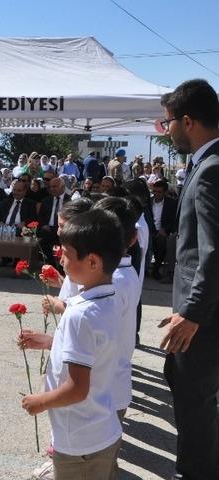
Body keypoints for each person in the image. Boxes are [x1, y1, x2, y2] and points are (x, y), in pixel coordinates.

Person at [20, 209, 125, 479]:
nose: (61, 259)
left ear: (92, 262)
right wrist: (50, 342)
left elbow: (77, 389)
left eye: (66, 254)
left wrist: (40, 402)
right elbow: (95, 350)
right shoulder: (108, 298)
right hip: (101, 429)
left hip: (80, 443)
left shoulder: (80, 314)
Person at [159, 78, 219, 480]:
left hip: (206, 319)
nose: (167, 132)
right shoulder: (207, 164)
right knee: (187, 391)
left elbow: (214, 251)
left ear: (187, 120)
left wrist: (193, 313)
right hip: (200, 311)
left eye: (168, 124)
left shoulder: (212, 170)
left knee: (194, 406)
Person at [147, 180, 178, 280]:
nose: (156, 194)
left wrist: (165, 229)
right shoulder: (148, 202)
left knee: (161, 241)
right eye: (154, 191)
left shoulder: (171, 204)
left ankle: (156, 269)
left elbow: (174, 221)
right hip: (150, 230)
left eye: (159, 192)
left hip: (163, 232)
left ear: (165, 192)